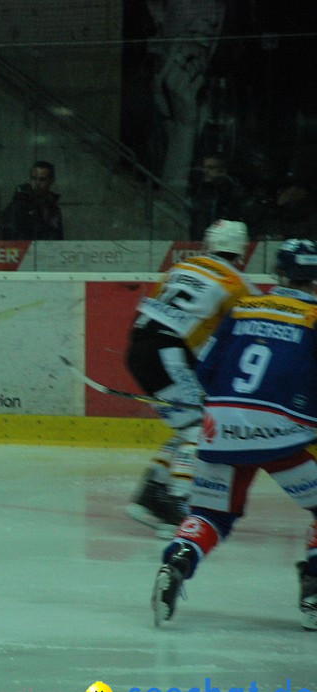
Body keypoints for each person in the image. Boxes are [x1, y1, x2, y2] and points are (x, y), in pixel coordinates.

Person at [152, 238, 317, 630]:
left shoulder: (244, 307)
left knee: (210, 514)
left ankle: (178, 559)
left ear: (279, 273)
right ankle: (314, 589)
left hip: (221, 427)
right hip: (281, 432)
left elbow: (207, 370)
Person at [124, 219, 258, 537]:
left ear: (209, 243)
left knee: (188, 424)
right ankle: (177, 505)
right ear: (241, 249)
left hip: (139, 347)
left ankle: (151, 496)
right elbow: (248, 331)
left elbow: (153, 309)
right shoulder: (238, 284)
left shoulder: (181, 268)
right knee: (200, 427)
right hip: (169, 352)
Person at [0, 161, 63, 240]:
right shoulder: (19, 205)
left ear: (51, 181)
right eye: (34, 178)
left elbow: (58, 236)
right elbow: (11, 235)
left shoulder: (53, 208)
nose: (37, 183)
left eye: (42, 179)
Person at [187, 153, 244, 241]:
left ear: (222, 171)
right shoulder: (202, 190)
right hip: (200, 241)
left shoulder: (230, 192)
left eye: (210, 168)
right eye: (204, 167)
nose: (205, 171)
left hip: (223, 243)